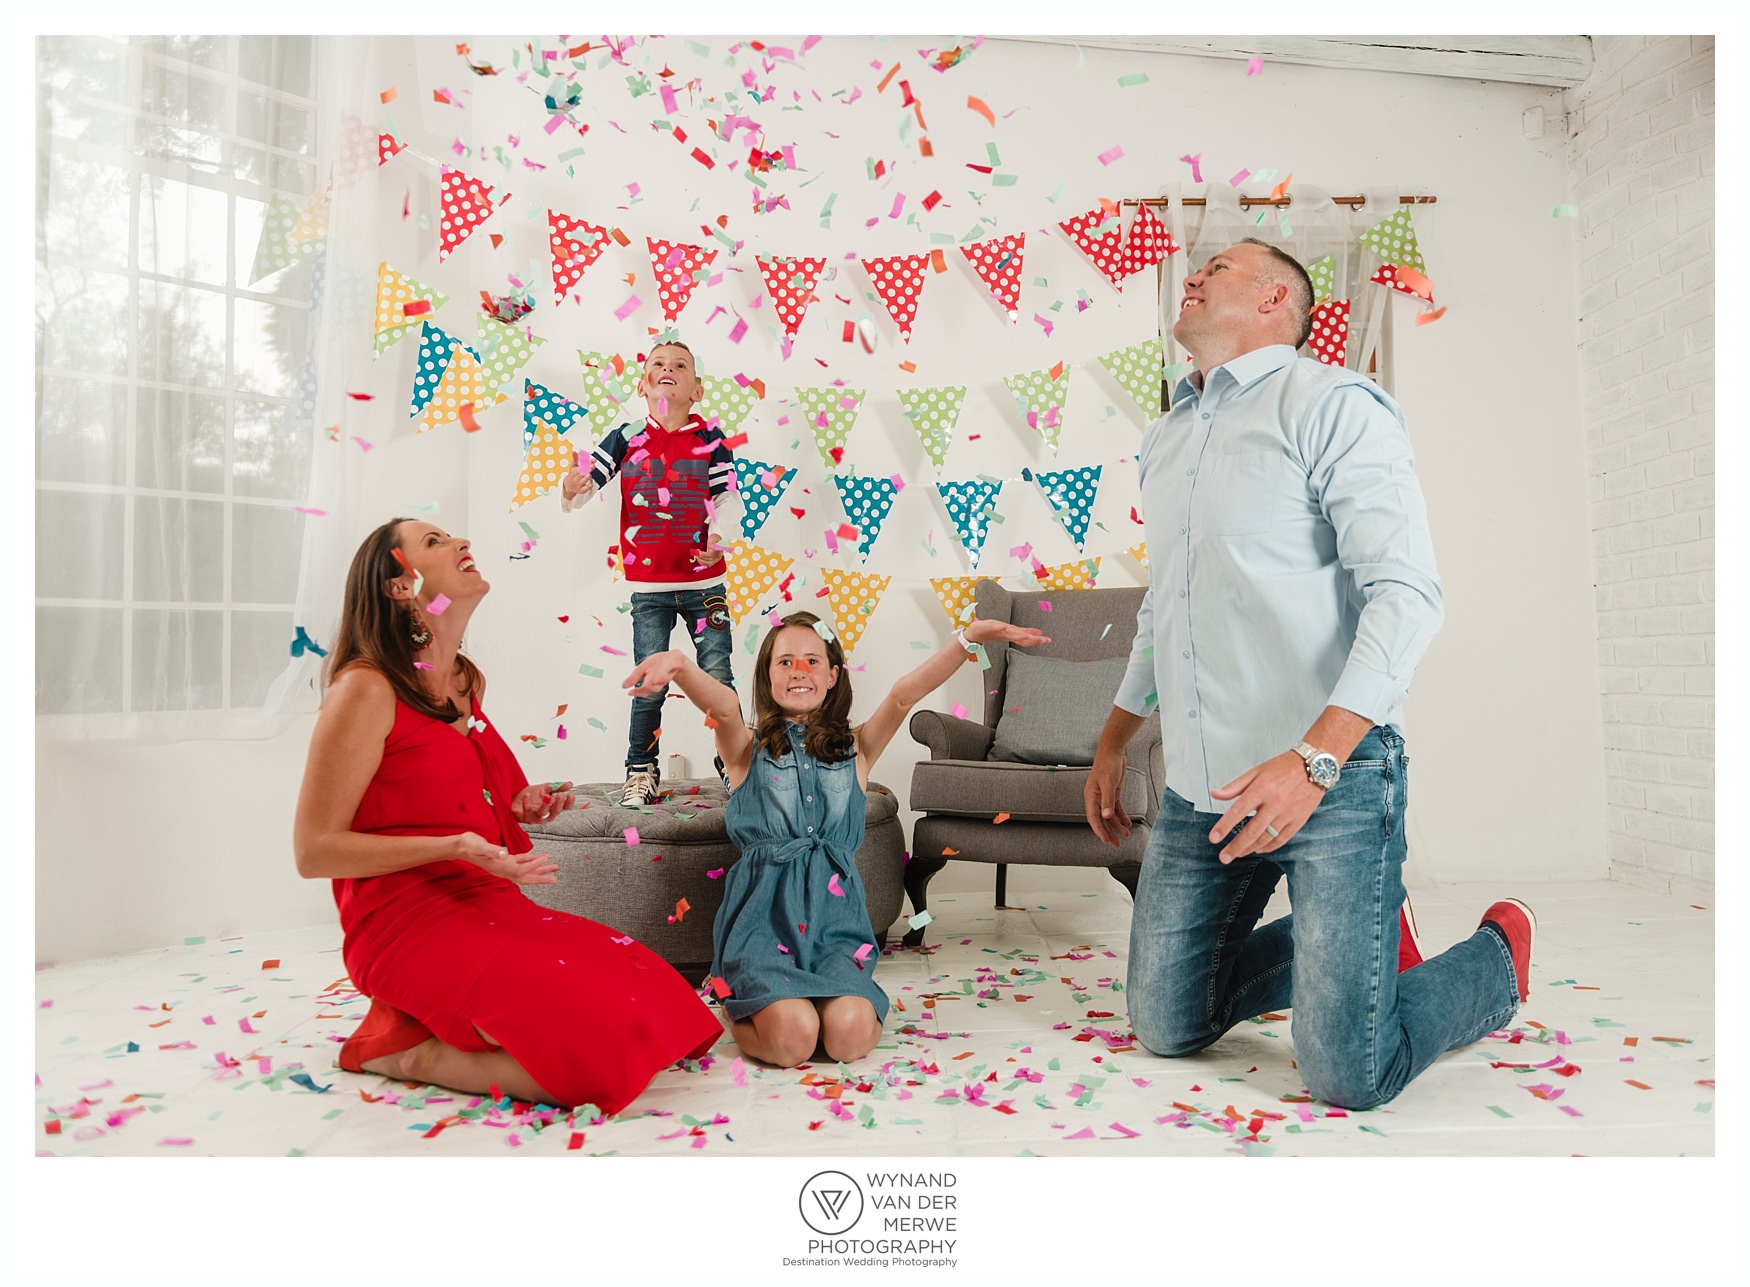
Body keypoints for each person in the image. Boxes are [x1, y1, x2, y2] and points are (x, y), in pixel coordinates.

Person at [1084, 239, 1535, 1110]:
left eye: (1218, 266)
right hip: (1203, 785)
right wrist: (1111, 742)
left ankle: (1494, 960)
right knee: (1165, 1022)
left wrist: (1314, 761)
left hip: (1335, 774)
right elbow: (1163, 608)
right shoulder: (1167, 437)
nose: (1195, 273)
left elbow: (1407, 595)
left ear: (1274, 298)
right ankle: (1362, 943)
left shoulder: (1334, 404)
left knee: (1346, 1073)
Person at [292, 518, 722, 1112]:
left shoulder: (463, 683)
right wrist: (452, 847)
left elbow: (474, 793)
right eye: (434, 544)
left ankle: (423, 1021)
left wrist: (524, 803)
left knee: (657, 995)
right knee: (600, 1059)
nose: (461, 543)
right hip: (403, 923)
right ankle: (407, 1052)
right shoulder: (365, 689)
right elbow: (314, 850)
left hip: (485, 904)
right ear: (399, 587)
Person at [622, 609, 1049, 1067]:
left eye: (812, 660)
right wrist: (681, 665)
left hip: (835, 926)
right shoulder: (745, 748)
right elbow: (724, 706)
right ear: (767, 679)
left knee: (848, 1037)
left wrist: (968, 638)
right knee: (793, 1040)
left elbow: (905, 696)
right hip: (763, 925)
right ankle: (732, 998)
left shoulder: (858, 747)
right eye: (784, 662)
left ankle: (814, 997)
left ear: (832, 676)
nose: (799, 670)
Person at [561, 340, 738, 806]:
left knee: (719, 675)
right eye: (658, 364)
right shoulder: (626, 436)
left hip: (706, 585)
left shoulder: (711, 440)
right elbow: (587, 482)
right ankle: (641, 769)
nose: (668, 369)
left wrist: (718, 538)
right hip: (650, 590)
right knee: (648, 684)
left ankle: (736, 764)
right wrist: (571, 486)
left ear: (696, 390)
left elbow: (727, 500)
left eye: (680, 364)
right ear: (643, 385)